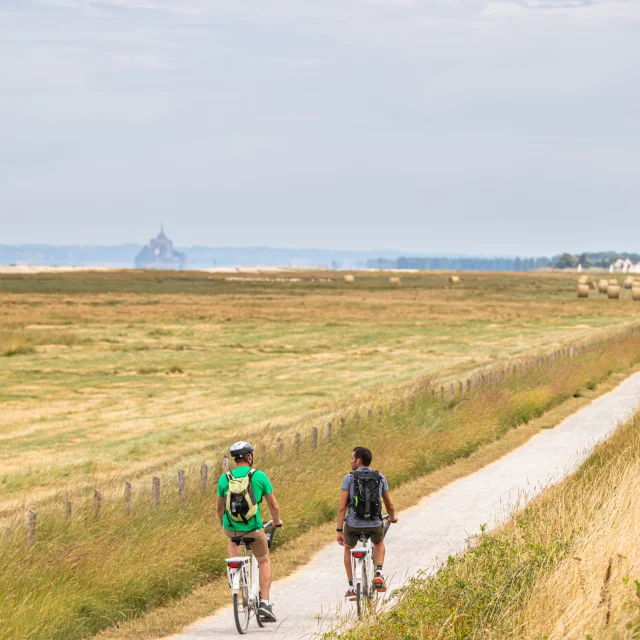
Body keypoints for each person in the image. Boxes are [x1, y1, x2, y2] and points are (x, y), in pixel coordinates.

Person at [216, 441, 283, 623]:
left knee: (233, 542)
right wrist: (276, 521)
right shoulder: (259, 476)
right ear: (249, 457)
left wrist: (224, 526)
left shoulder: (225, 478)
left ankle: (235, 575)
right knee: (264, 560)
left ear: (235, 459)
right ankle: (264, 604)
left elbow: (219, 509)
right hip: (254, 530)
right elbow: (274, 505)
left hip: (232, 530)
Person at [336, 446, 398, 599]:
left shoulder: (349, 478)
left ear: (358, 461)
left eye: (352, 458)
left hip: (352, 524)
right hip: (374, 522)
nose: (350, 461)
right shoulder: (379, 477)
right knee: (379, 543)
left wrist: (339, 530)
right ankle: (378, 572)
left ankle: (352, 587)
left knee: (348, 548)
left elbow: (342, 507)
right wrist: (392, 517)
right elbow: (389, 505)